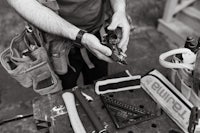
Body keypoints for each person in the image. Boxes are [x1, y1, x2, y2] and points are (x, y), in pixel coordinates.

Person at [6, 0, 131, 89]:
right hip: (57, 45)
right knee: (66, 90)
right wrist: (80, 36)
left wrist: (119, 11)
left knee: (99, 82)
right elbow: (24, 3)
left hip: (99, 33)